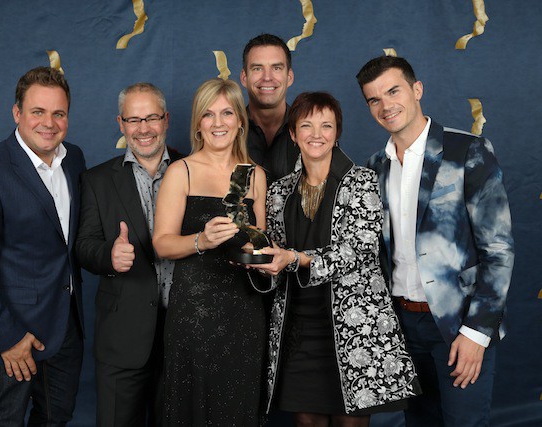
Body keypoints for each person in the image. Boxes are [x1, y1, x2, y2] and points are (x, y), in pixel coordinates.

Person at [357, 55, 515, 426]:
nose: (385, 105)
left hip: (459, 324)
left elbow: (499, 250)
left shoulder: (468, 151)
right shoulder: (374, 167)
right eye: (374, 99)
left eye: (393, 91)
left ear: (417, 89)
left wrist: (476, 333)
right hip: (401, 324)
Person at [246, 92, 419, 427]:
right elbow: (277, 260)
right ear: (293, 134)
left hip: (353, 329)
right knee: (306, 423)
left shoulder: (362, 181)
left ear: (337, 133)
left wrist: (294, 258)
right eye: (306, 126)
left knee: (349, 424)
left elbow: (359, 251)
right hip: (297, 331)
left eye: (326, 126)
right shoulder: (278, 192)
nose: (316, 134)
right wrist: (260, 263)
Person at [0, 66, 86, 426]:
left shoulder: (74, 159)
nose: (49, 123)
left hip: (65, 324)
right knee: (5, 421)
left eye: (59, 113)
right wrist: (7, 337)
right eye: (37, 112)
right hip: (11, 331)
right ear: (17, 113)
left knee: (56, 418)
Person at [153, 78, 267, 426]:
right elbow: (162, 243)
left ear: (240, 121)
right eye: (208, 114)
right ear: (198, 124)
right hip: (195, 313)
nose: (218, 122)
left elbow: (259, 243)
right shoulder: (181, 171)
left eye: (227, 113)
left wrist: (258, 250)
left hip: (244, 311)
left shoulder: (252, 175)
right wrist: (201, 240)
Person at [75, 83, 181, 427]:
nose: (143, 128)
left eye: (151, 118)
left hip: (184, 332)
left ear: (166, 120)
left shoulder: (194, 169)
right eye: (133, 119)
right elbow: (84, 245)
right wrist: (109, 255)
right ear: (120, 124)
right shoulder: (96, 180)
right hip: (122, 337)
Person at [241, 33, 300, 184]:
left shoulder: (310, 132)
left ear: (289, 77)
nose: (267, 77)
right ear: (244, 78)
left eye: (276, 68)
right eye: (257, 68)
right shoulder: (227, 132)